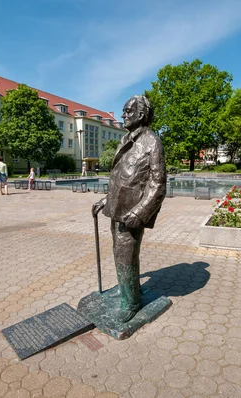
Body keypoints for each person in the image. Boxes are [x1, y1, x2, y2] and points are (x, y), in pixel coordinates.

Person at [92, 95, 166, 323]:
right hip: (117, 210)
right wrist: (107, 199)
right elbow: (120, 177)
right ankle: (126, 289)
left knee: (127, 256)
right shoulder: (127, 138)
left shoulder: (152, 141)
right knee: (119, 252)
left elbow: (158, 183)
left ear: (141, 114)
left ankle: (131, 301)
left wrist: (140, 212)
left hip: (132, 213)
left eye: (127, 111)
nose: (123, 115)